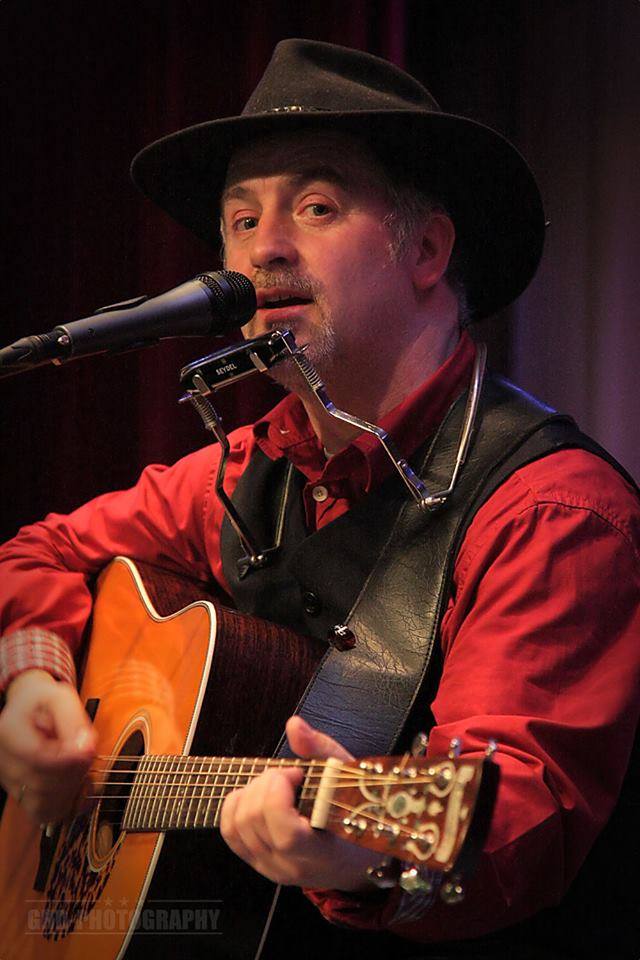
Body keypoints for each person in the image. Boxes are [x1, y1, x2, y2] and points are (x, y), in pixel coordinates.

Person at [1, 38, 639, 959]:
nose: (263, 247)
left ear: (427, 250)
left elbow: (516, 809)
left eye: (315, 206)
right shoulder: (244, 469)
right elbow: (36, 554)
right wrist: (34, 681)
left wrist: (361, 850)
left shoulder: (549, 511)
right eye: (240, 219)